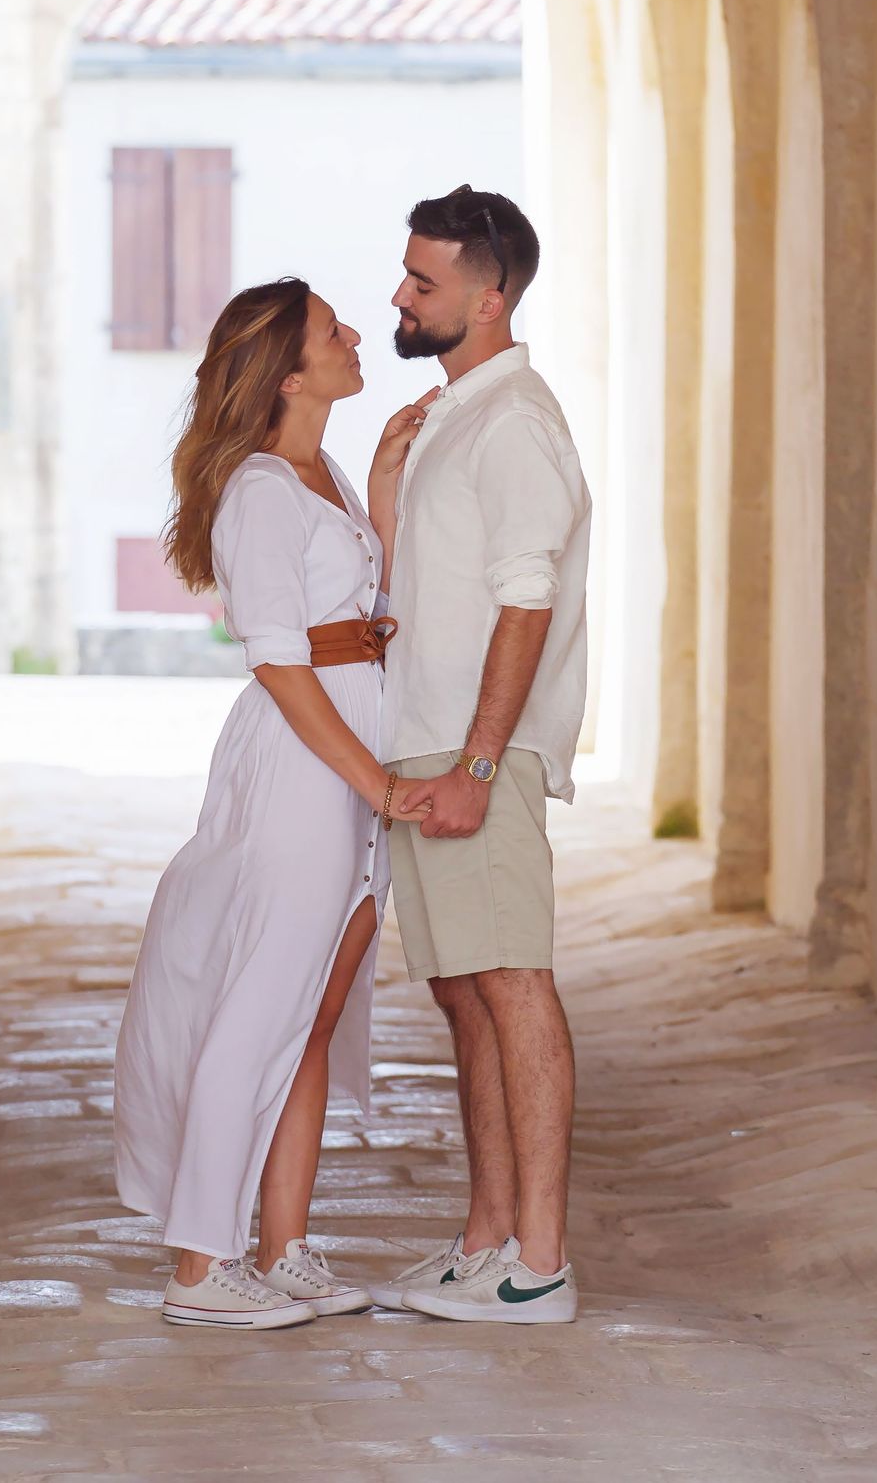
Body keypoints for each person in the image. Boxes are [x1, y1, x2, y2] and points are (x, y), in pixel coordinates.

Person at [113, 277, 440, 1330]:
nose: (356, 335)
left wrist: (382, 487)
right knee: (259, 1006)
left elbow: (369, 610)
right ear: (290, 375)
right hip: (308, 764)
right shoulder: (259, 488)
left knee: (314, 1013)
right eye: (331, 332)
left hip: (353, 742)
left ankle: (285, 1245)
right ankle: (203, 1266)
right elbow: (280, 663)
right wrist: (375, 780)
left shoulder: (323, 472)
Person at [368, 185, 592, 1326]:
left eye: (423, 283)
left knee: (513, 985)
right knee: (466, 995)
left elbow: (524, 604)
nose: (400, 297)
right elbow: (436, 592)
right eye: (407, 277)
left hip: (473, 751)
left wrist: (482, 764)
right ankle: (485, 1241)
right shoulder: (456, 412)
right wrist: (382, 499)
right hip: (433, 742)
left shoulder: (513, 424)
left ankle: (539, 1262)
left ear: (489, 296)